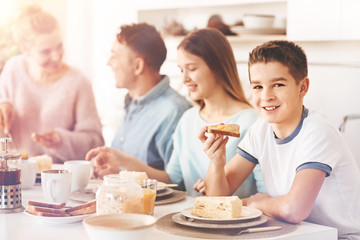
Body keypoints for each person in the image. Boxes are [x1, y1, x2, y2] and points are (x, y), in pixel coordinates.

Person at [201, 40, 360, 239]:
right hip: (296, 234)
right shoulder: (260, 129)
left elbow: (294, 210)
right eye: (258, 87)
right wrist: (216, 161)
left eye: (278, 84)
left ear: (302, 87)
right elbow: (217, 204)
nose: (266, 96)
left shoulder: (319, 132)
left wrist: (255, 203)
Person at [87, 28, 265, 197]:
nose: (184, 78)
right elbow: (171, 179)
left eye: (192, 68)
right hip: (190, 222)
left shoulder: (252, 122)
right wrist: (124, 161)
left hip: (236, 225)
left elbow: (265, 193)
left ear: (217, 66)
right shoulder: (187, 120)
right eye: (181, 70)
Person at [0, 5, 104, 163]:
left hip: (60, 178)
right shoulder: (12, 69)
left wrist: (61, 140)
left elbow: (95, 142)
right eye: (46, 52)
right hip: (16, 174)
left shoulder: (78, 82)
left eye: (59, 46)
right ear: (25, 50)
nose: (56, 57)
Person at [87, 23, 191, 177]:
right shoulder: (131, 103)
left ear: (137, 66)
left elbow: (178, 183)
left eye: (114, 56)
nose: (109, 63)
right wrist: (113, 172)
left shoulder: (175, 111)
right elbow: (124, 169)